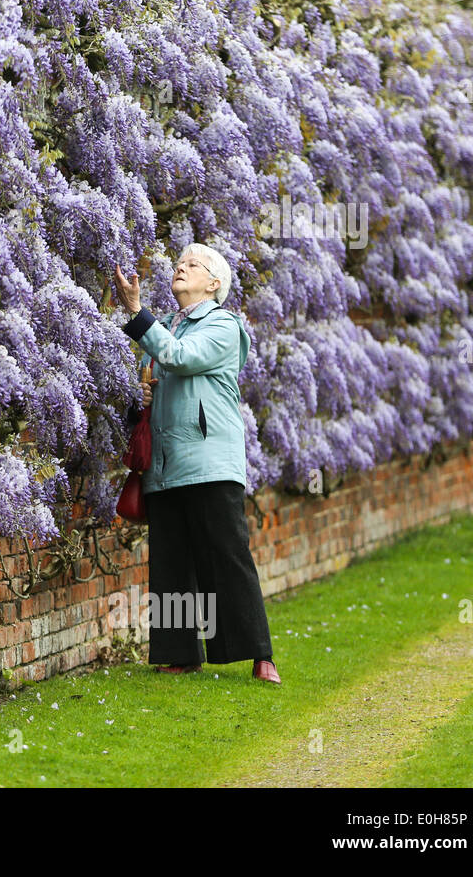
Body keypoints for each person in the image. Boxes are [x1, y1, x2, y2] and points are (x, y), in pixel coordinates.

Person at [112, 246, 281, 684]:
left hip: (208, 459)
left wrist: (135, 311)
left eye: (192, 265)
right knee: (171, 559)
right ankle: (180, 653)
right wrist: (143, 400)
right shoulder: (165, 327)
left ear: (214, 284)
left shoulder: (224, 325)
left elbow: (180, 357)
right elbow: (159, 371)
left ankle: (258, 654)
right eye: (179, 263)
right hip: (165, 463)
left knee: (226, 555)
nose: (180, 268)